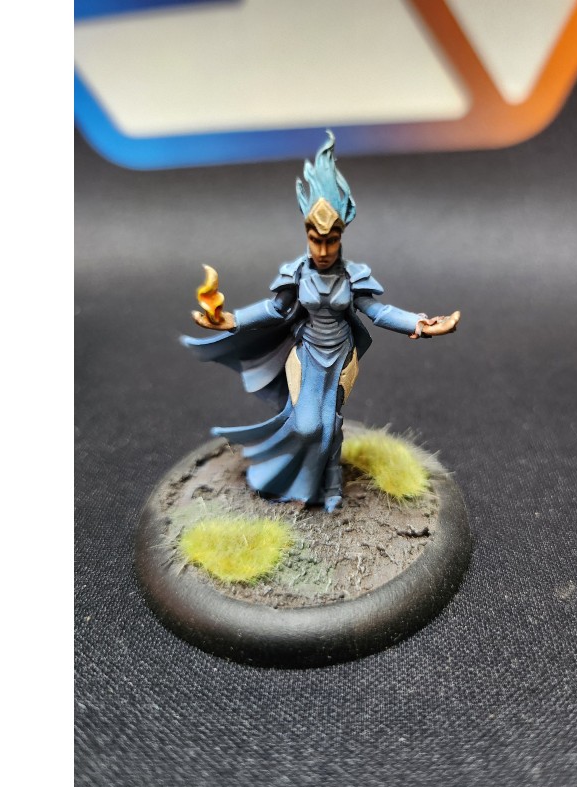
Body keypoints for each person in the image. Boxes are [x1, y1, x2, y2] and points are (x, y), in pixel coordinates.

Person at [182, 131, 459, 512]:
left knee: (330, 426)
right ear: (307, 235)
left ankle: (330, 486)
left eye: (331, 240)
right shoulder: (296, 273)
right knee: (307, 426)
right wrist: (231, 320)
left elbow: (378, 311)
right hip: (308, 355)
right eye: (316, 240)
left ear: (341, 236)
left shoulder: (353, 276)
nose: (324, 249)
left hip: (342, 357)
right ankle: (287, 475)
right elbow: (275, 309)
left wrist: (420, 325)